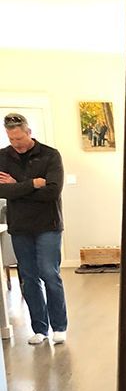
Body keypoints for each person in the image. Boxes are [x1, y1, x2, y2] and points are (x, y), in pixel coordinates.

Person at [0, 113, 68, 344]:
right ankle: (40, 329)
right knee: (28, 278)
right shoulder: (2, 156)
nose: (16, 144)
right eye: (11, 139)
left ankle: (59, 326)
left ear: (29, 132)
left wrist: (16, 186)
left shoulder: (50, 155)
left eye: (19, 138)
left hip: (48, 225)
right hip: (19, 227)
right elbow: (2, 191)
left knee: (50, 274)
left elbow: (52, 192)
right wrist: (32, 184)